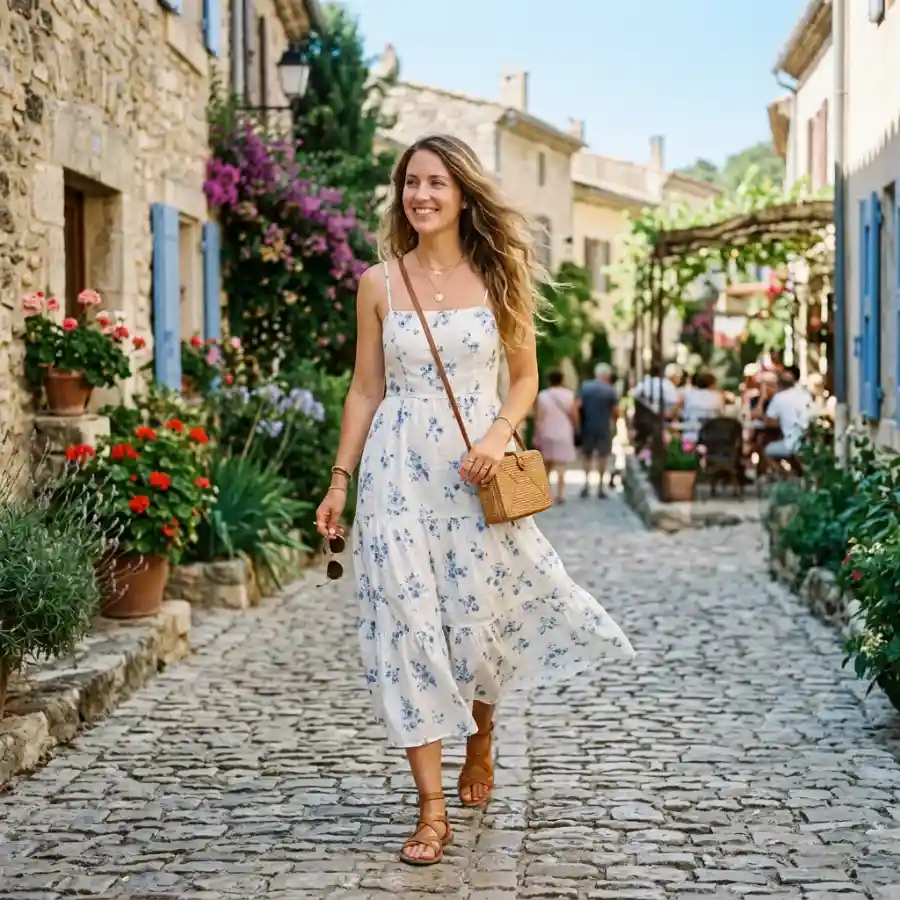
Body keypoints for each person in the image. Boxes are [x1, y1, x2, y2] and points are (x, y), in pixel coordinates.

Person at [314, 134, 635, 867]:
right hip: (397, 471)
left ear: (462, 194)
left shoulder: (500, 273)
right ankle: (430, 812)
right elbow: (366, 387)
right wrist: (341, 479)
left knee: (478, 625)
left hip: (474, 473)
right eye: (410, 184)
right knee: (406, 627)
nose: (420, 196)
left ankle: (481, 733)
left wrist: (497, 434)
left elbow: (524, 376)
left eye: (436, 183)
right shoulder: (378, 284)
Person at [533, 370, 578, 504]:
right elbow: (574, 415)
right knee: (561, 466)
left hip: (547, 432)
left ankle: (545, 494)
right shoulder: (569, 395)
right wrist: (576, 428)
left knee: (547, 466)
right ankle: (561, 494)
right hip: (564, 433)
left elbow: (539, 417)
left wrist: (536, 435)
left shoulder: (543, 396)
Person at [577, 362, 620, 498]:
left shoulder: (586, 387)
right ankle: (601, 487)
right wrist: (615, 423)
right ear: (606, 375)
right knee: (602, 456)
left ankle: (586, 485)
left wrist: (579, 423)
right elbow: (616, 411)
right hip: (604, 427)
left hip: (587, 425)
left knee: (587, 456)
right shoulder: (610, 390)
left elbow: (578, 406)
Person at [764, 371, 812, 460]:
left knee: (766, 450)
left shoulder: (779, 397)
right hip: (808, 441)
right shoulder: (805, 395)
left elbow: (768, 422)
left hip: (791, 443)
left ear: (779, 384)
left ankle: (786, 473)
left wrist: (782, 421)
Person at [676, 367, 724, 442]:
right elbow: (721, 415)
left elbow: (681, 410)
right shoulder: (717, 396)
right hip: (711, 436)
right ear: (711, 384)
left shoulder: (688, 395)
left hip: (689, 434)